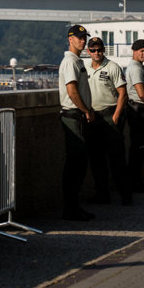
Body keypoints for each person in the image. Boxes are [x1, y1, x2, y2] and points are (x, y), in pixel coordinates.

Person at [85, 37, 132, 205]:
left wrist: (116, 116)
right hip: (93, 117)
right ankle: (102, 194)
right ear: (88, 51)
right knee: (97, 160)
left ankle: (126, 196)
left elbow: (122, 93)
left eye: (99, 50)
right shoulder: (85, 68)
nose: (97, 53)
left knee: (117, 159)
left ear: (103, 50)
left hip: (110, 115)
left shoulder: (112, 67)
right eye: (93, 50)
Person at [57, 24, 96, 221]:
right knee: (74, 163)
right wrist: (86, 110)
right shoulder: (70, 62)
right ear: (70, 39)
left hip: (78, 115)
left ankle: (74, 206)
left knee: (79, 163)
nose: (83, 41)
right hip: (73, 116)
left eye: (84, 37)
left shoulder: (78, 61)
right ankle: (70, 208)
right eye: (79, 38)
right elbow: (72, 91)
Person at [125, 39, 144, 192]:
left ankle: (136, 181)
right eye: (142, 51)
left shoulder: (139, 67)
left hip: (140, 109)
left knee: (141, 148)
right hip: (138, 110)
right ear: (134, 51)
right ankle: (134, 182)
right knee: (139, 147)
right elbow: (141, 94)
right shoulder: (135, 68)